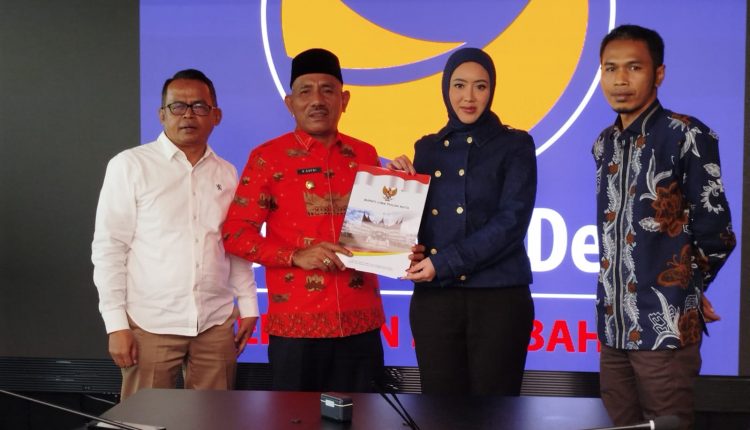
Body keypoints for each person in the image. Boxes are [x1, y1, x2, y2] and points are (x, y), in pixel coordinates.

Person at [222, 48, 411, 392]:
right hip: (297, 328)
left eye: (327, 90)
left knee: (363, 416)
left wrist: (404, 191)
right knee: (295, 417)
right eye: (305, 91)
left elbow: (379, 235)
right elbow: (235, 233)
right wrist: (295, 255)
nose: (317, 100)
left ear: (344, 100)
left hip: (360, 325)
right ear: (289, 103)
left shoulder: (365, 154)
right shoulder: (267, 158)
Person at [593, 25, 735, 429]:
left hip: (665, 331)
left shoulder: (688, 135)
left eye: (634, 67)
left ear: (658, 74)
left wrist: (688, 287)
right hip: (614, 329)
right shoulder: (604, 144)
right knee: (621, 426)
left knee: (668, 424)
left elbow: (717, 233)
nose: (620, 80)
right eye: (610, 68)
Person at [92, 69, 259, 400]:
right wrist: (116, 324)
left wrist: (249, 304)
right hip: (150, 323)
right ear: (162, 114)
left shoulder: (227, 172)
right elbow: (110, 248)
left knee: (215, 419)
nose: (188, 115)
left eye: (199, 106)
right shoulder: (130, 165)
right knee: (145, 419)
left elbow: (234, 245)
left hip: (214, 322)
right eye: (177, 106)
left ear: (216, 115)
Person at [397, 47, 537, 396]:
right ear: (446, 89)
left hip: (499, 299)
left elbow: (511, 223)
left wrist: (443, 263)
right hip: (435, 302)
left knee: (495, 412)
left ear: (492, 90)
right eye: (459, 85)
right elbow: (418, 227)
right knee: (439, 411)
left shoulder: (516, 144)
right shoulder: (426, 148)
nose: (469, 97)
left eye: (480, 86)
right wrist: (397, 187)